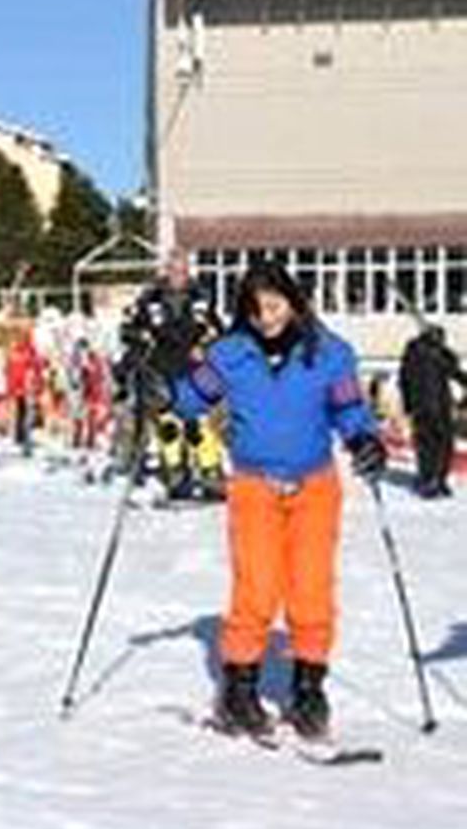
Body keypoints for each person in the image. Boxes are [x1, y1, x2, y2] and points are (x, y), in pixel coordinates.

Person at [157, 261, 386, 740]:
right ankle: (239, 690)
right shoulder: (230, 355)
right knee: (256, 588)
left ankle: (308, 689)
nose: (267, 317)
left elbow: (348, 410)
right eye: (256, 308)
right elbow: (192, 399)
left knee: (310, 590)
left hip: (314, 486)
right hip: (255, 486)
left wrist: (364, 439)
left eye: (275, 304)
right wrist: (162, 384)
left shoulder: (328, 353)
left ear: (293, 300)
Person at [121, 248, 225, 499]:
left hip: (194, 368)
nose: (178, 274)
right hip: (161, 366)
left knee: (198, 423)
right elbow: (128, 329)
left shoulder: (201, 296)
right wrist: (140, 338)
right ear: (166, 270)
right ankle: (176, 473)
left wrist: (206, 346)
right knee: (169, 424)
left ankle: (210, 472)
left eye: (183, 269)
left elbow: (218, 330)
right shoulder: (150, 298)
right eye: (173, 269)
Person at [398, 323, 466, 498]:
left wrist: (407, 405)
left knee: (426, 444)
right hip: (439, 406)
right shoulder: (438, 354)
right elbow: (455, 370)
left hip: (420, 406)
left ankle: (429, 478)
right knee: (442, 443)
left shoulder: (411, 354)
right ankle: (437, 480)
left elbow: (403, 380)